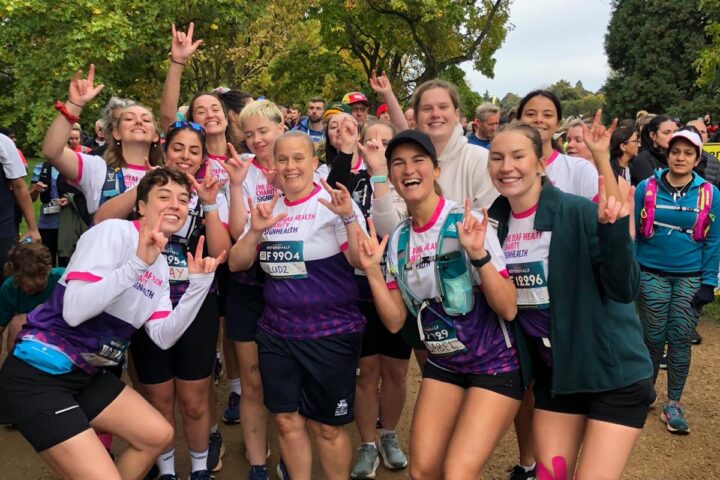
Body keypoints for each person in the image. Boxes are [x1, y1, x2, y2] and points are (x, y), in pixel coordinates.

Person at [0, 167, 224, 480]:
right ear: (142, 206)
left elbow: (162, 336)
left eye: (183, 199)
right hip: (38, 374)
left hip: (84, 374)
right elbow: (74, 311)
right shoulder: (112, 233)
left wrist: (197, 287)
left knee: (156, 435)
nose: (176, 204)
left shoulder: (159, 265)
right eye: (164, 196)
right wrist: (134, 266)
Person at [487, 121, 654, 479]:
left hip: (613, 373)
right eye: (496, 157)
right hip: (557, 377)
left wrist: (613, 233)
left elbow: (624, 288)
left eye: (518, 156)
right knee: (550, 476)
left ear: (541, 164)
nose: (506, 166)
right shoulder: (492, 225)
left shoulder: (576, 211)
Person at [357, 129, 521, 479]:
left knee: (457, 472)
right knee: (422, 471)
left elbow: (508, 308)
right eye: (398, 162)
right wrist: (372, 272)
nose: (408, 169)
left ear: (436, 170)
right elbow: (394, 320)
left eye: (418, 160)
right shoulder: (399, 238)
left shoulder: (467, 222)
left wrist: (478, 255)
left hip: (493, 364)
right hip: (444, 364)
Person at [96, 121, 232, 479]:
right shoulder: (146, 192)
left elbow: (222, 255)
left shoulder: (207, 193)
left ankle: (200, 469)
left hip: (196, 306)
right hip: (144, 303)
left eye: (194, 150)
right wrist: (146, 188)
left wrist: (210, 203)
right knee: (158, 399)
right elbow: (100, 221)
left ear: (202, 157)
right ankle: (167, 470)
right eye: (178, 148)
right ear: (164, 150)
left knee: (195, 399)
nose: (185, 156)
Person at [229, 131, 367, 480]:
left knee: (327, 429)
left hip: (330, 334)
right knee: (288, 422)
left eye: (299, 158)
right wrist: (254, 232)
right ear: (272, 166)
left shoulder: (333, 203)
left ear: (315, 162)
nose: (290, 167)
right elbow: (236, 263)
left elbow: (360, 261)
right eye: (283, 160)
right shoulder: (267, 208)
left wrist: (349, 218)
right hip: (277, 334)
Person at [634, 129, 720, 435]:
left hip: (690, 276)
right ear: (667, 155)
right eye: (675, 152)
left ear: (697, 158)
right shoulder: (645, 187)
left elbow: (713, 241)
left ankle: (674, 403)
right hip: (650, 272)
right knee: (653, 337)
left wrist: (709, 283)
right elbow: (633, 234)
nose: (680, 158)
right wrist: (632, 275)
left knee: (681, 338)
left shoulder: (710, 193)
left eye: (687, 153)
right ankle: (646, 394)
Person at [224, 99, 286, 480]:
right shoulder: (243, 170)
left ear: (281, 126)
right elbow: (235, 233)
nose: (257, 139)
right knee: (251, 379)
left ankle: (290, 450)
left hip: (291, 286)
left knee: (284, 377)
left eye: (264, 130)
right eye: (249, 134)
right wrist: (234, 185)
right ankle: (257, 460)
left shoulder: (304, 165)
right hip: (248, 284)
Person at [370, 79, 498, 236]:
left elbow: (491, 228)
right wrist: (379, 174)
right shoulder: (405, 168)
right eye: (427, 109)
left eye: (443, 107)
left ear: (456, 114)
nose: (436, 114)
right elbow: (390, 232)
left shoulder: (480, 160)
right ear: (415, 119)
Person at [42, 65, 163, 220]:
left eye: (146, 120)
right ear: (116, 133)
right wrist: (74, 104)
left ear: (155, 136)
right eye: (129, 118)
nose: (139, 121)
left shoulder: (166, 175)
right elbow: (52, 151)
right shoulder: (96, 169)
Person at [0, 242, 64, 357]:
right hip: (30, 334)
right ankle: (13, 366)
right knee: (17, 323)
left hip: (61, 331)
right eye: (21, 282)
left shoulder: (63, 279)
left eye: (31, 285)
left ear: (45, 273)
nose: (25, 288)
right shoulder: (9, 287)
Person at [0, 132, 41, 277]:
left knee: (5, 278)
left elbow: (19, 186)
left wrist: (32, 228)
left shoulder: (3, 142)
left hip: (3, 226)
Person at [630, 115, 677, 185]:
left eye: (675, 132)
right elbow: (652, 190)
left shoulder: (678, 158)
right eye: (667, 132)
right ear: (653, 135)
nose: (673, 136)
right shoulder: (643, 159)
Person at [687, 119, 720, 188]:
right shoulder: (673, 157)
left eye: (703, 132)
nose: (699, 134)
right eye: (695, 130)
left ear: (707, 136)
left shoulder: (715, 162)